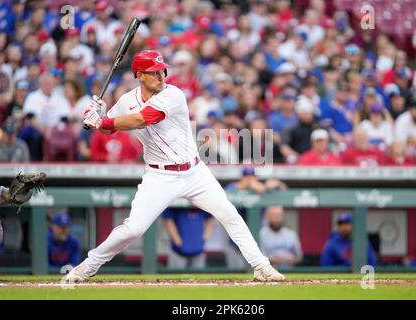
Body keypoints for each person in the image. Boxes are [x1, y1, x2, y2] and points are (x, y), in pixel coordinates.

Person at [66, 50, 284, 282]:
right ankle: (87, 267)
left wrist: (101, 120)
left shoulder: (173, 95)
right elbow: (109, 128)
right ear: (139, 75)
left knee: (229, 214)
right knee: (134, 229)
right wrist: (95, 115)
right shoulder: (126, 101)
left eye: (162, 71)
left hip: (194, 172)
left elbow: (142, 119)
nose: (161, 76)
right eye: (153, 72)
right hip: (159, 176)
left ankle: (261, 266)